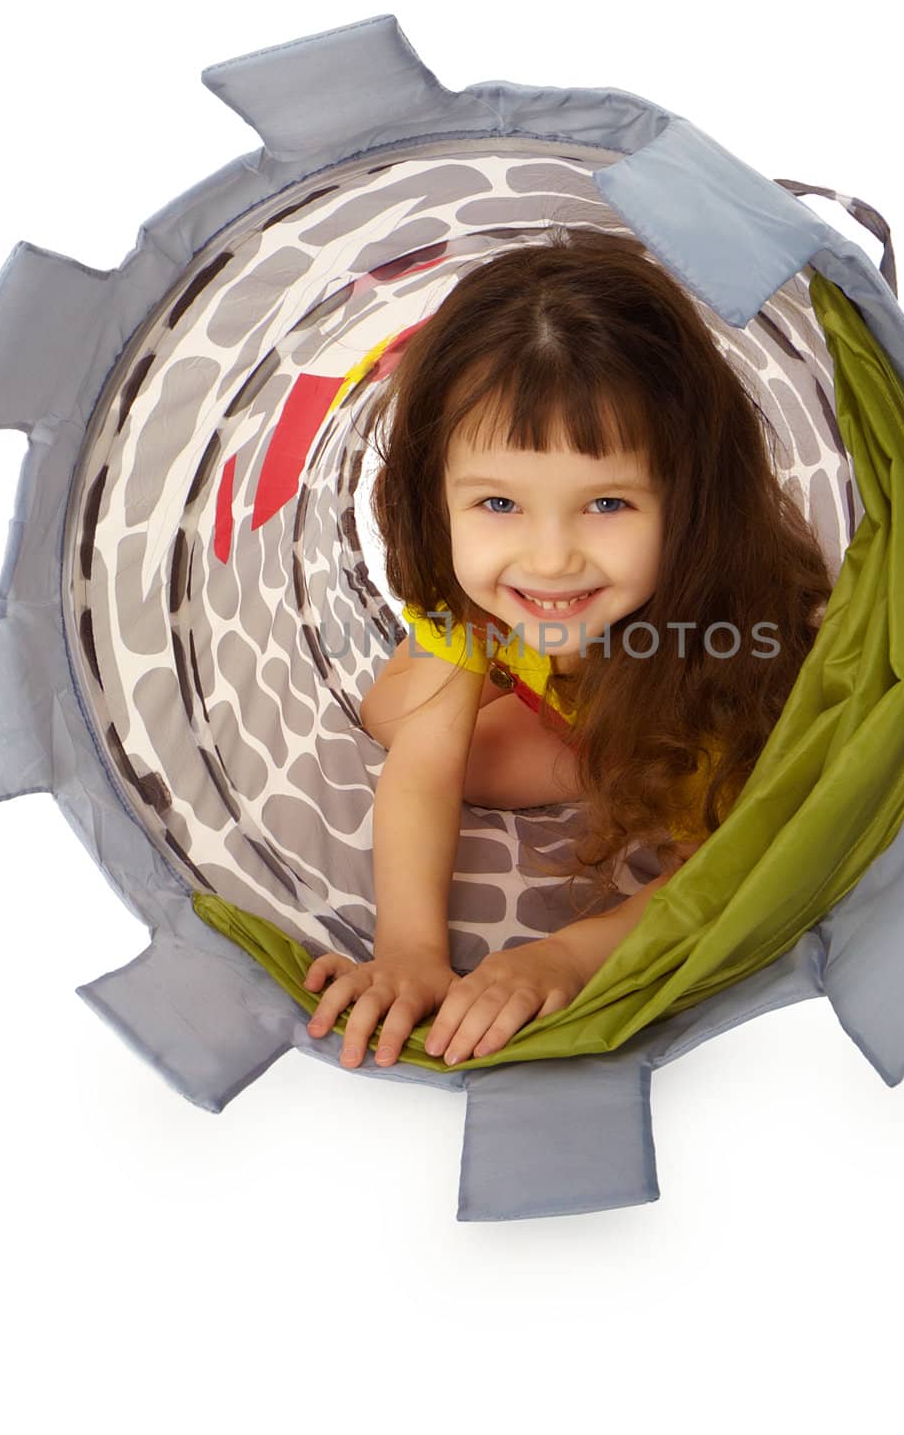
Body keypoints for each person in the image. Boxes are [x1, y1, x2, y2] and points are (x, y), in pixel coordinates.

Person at [305, 226, 836, 1070]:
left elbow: (728, 872)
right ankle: (477, 673)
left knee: (639, 789)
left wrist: (566, 954)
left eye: (608, 505)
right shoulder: (481, 581)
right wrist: (408, 949)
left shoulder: (729, 664)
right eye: (499, 505)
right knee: (400, 722)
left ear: (688, 499)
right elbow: (425, 767)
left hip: (658, 706)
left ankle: (512, 696)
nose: (550, 559)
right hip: (559, 693)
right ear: (433, 489)